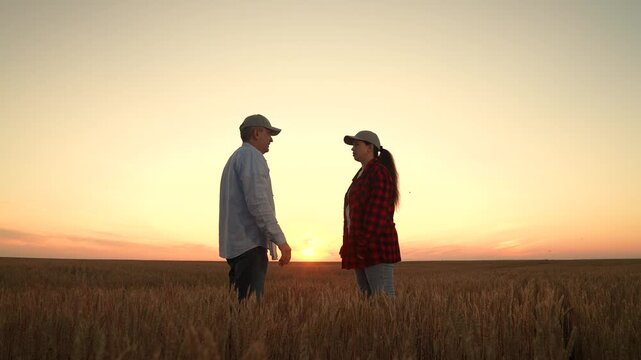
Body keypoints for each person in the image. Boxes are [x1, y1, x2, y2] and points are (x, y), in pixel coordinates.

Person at [219, 114, 292, 302]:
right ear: (256, 133)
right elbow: (258, 203)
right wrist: (280, 241)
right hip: (249, 247)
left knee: (239, 310)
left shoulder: (235, 157)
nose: (271, 139)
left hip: (236, 247)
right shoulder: (252, 157)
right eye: (268, 133)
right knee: (249, 314)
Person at [340, 130, 401, 297]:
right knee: (368, 301)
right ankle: (374, 325)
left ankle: (391, 325)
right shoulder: (362, 175)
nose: (353, 149)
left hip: (375, 247)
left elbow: (378, 214)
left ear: (370, 148)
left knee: (383, 299)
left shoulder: (378, 172)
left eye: (357, 145)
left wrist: (360, 244)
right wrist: (350, 244)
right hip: (362, 246)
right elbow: (352, 215)